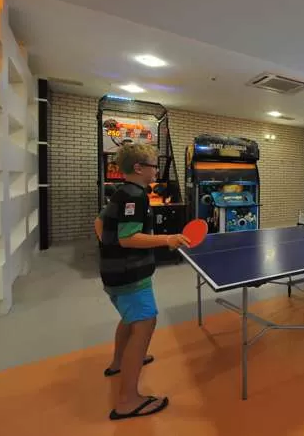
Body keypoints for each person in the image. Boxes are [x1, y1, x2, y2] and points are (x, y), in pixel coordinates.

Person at [94, 143, 190, 420]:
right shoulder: (135, 196)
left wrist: (109, 249)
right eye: (153, 166)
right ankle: (128, 401)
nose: (156, 170)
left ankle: (118, 362)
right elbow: (128, 238)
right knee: (145, 323)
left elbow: (99, 223)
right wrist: (167, 239)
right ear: (138, 168)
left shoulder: (120, 192)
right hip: (130, 275)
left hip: (114, 271)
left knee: (130, 319)